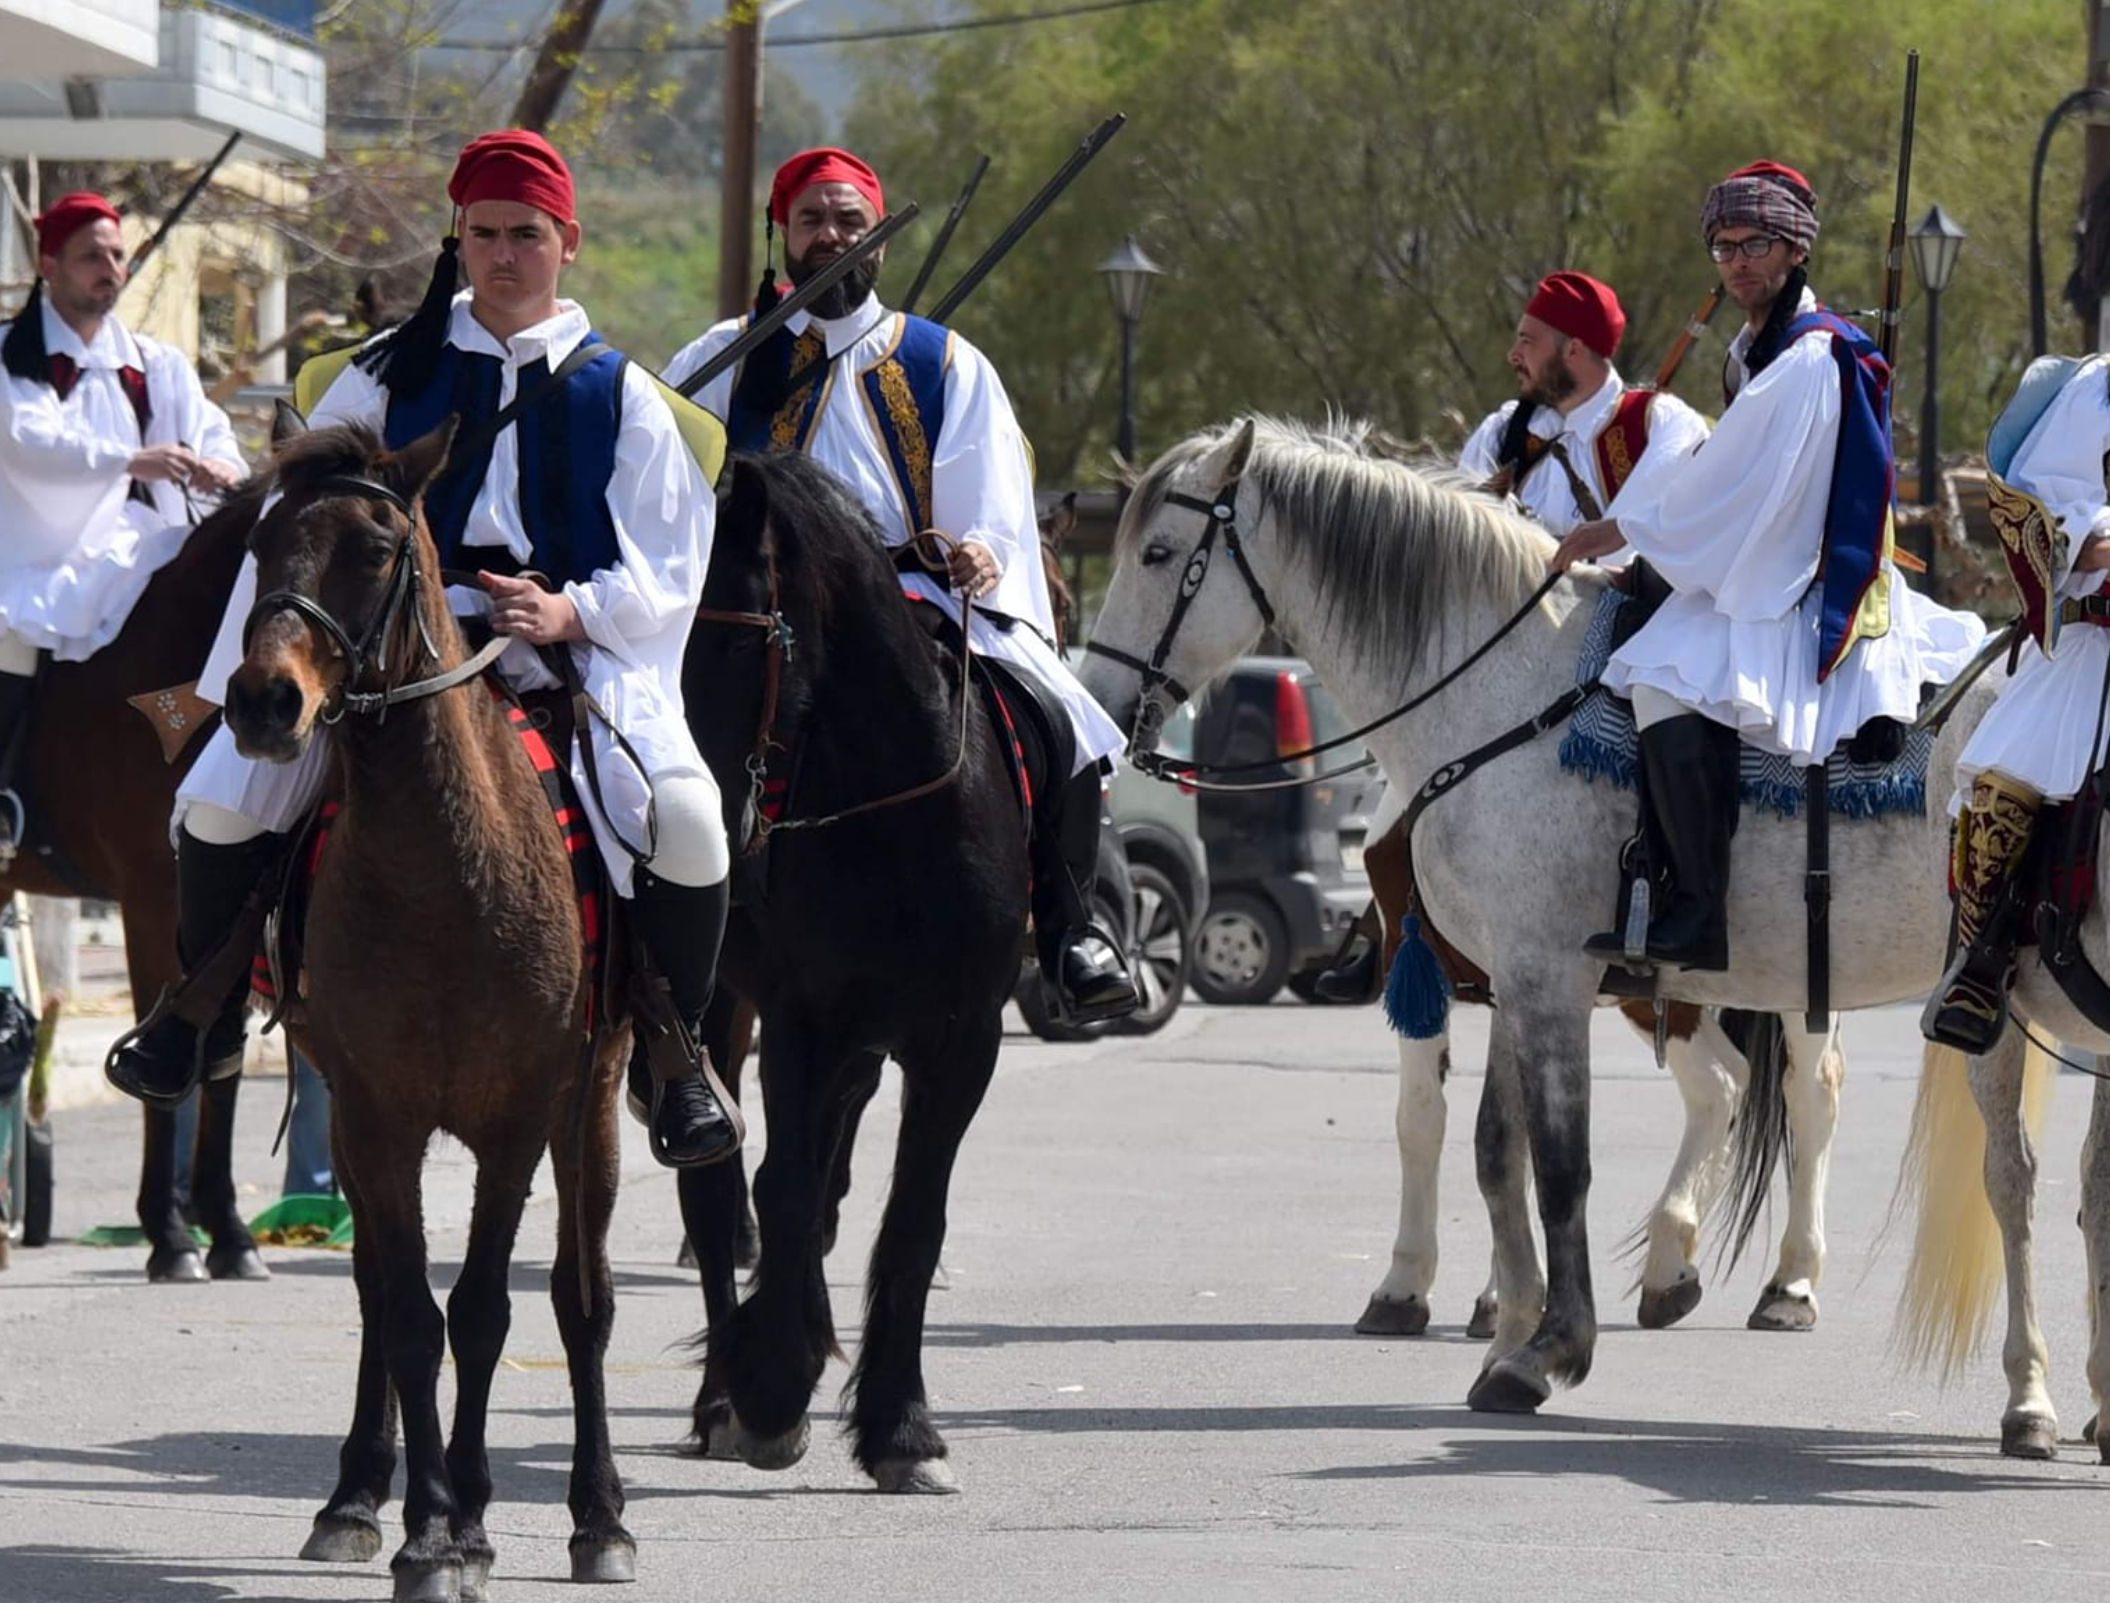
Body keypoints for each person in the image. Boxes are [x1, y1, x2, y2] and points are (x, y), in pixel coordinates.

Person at [106, 131, 744, 1169]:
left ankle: (672, 1056)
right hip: (381, 658)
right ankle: (200, 1014)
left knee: (686, 821)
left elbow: (671, 565)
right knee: (219, 801)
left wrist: (571, 612)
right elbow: (298, 519)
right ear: (460, 239)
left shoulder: (620, 395)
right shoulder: (377, 377)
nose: (503, 254)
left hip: (568, 657)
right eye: (484, 233)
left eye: (525, 235)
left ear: (567, 242)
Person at [665, 146, 1139, 1024]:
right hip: (759, 614)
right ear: (784, 234)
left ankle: (1076, 927)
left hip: (911, 604)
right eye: (813, 220)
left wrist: (985, 553)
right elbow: (660, 481)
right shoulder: (725, 355)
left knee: (1064, 716)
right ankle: (652, 960)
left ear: (878, 235)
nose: (832, 236)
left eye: (850, 220)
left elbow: (991, 501)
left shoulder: (946, 362)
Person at [1551, 160, 1985, 973]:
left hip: (1797, 576)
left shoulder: (1809, 358)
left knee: (1665, 674)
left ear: (1793, 249)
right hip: (1771, 549)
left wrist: (1626, 528)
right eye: (1723, 247)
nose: (1738, 261)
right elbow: (1734, 476)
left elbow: (1736, 483)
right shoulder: (1761, 348)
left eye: (1754, 244)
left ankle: (1697, 910)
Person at [1315, 271, 1708, 1002]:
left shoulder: (1660, 427)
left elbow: (1648, 547)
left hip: (1615, 655)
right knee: (1385, 831)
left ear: (1578, 350)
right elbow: (1443, 550)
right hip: (1497, 671)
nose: (1513, 355)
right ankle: (1397, 937)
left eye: (1529, 341)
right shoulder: (1503, 432)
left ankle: (1657, 905)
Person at [0, 192, 245, 796]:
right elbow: (27, 439)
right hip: (39, 545)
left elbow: (211, 430)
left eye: (117, 256)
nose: (111, 270)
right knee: (13, 629)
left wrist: (219, 466)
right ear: (49, 266)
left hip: (142, 542)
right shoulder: (13, 353)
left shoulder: (155, 362)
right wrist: (131, 460)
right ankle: (8, 793)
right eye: (92, 257)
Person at [1922, 355, 2110, 1049]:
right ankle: (1985, 955)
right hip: (2099, 641)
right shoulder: (2093, 394)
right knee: (2012, 776)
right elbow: (2047, 514)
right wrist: (2095, 543)